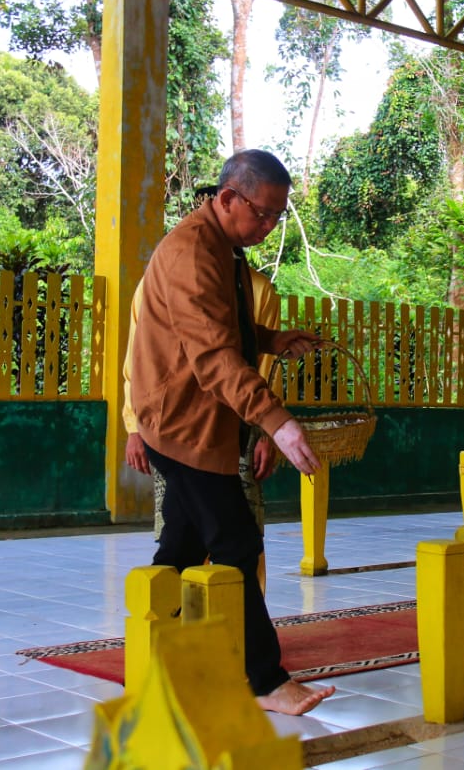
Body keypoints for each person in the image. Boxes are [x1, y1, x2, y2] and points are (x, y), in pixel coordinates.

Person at [129, 150, 334, 715]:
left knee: (185, 544)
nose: (268, 226)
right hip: (181, 423)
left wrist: (271, 340)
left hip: (197, 418)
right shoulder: (194, 253)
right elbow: (214, 358)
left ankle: (153, 649)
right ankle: (265, 682)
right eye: (262, 213)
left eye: (277, 216)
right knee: (237, 542)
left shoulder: (224, 248)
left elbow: (226, 330)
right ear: (226, 198)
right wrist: (277, 421)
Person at [122, 255, 281, 591]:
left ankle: (239, 625)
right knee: (182, 535)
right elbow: (138, 357)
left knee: (242, 539)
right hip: (173, 430)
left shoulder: (258, 288)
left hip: (238, 429)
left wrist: (267, 431)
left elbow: (265, 365)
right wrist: (134, 426)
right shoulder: (155, 283)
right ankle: (179, 624)